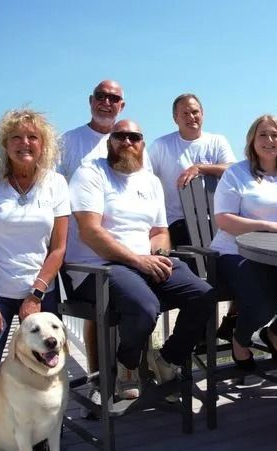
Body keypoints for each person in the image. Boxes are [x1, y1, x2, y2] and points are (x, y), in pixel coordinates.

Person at [65, 119, 215, 398]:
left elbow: (159, 231)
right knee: (146, 306)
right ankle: (128, 365)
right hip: (98, 269)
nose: (127, 142)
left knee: (203, 295)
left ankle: (166, 358)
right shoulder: (90, 174)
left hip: (142, 264)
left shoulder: (150, 181)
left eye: (134, 137)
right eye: (119, 136)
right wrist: (138, 260)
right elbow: (90, 232)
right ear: (109, 142)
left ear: (142, 144)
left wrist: (158, 256)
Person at [0, 109, 69, 450]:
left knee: (49, 372)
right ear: (4, 144)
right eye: (16, 137)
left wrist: (36, 294)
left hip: (40, 297)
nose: (25, 143)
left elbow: (58, 248)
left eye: (32, 137)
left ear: (43, 144)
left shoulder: (55, 183)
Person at [58, 79, 151, 410]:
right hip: (88, 251)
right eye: (101, 96)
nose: (107, 102)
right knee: (98, 317)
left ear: (122, 106)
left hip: (132, 251)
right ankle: (99, 378)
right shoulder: (69, 142)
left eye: (114, 98)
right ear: (90, 100)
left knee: (142, 305)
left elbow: (146, 190)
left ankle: (130, 371)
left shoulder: (133, 142)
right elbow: (51, 193)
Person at [210, 115, 277, 370]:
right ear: (252, 140)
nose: (270, 140)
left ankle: (275, 333)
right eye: (263, 135)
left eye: (275, 135)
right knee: (264, 304)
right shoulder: (236, 174)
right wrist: (268, 226)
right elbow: (224, 220)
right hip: (236, 252)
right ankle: (240, 339)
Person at [148, 93, 236, 247]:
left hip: (216, 220)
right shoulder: (161, 146)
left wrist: (200, 168)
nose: (191, 117)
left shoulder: (217, 141)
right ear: (175, 118)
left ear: (202, 113)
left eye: (195, 112)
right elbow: (143, 177)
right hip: (178, 221)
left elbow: (232, 170)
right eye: (185, 114)